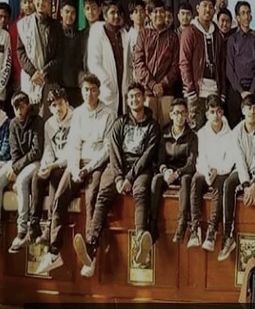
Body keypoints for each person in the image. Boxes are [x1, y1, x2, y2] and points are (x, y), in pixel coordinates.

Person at [73, 82, 160, 277]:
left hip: (140, 169)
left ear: (144, 98)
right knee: (103, 195)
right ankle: (91, 246)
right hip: (118, 167)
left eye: (138, 96)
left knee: (141, 192)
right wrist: (120, 177)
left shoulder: (153, 126)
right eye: (131, 97)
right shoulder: (120, 123)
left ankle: (141, 243)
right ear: (127, 100)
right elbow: (114, 151)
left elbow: (148, 155)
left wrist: (129, 177)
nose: (134, 100)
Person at [34, 73, 116, 274]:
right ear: (82, 91)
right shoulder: (78, 113)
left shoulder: (109, 113)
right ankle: (54, 252)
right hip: (78, 162)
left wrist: (89, 168)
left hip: (97, 164)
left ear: (99, 91)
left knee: (91, 199)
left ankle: (90, 255)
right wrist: (75, 167)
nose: (89, 94)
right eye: (86, 90)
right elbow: (74, 144)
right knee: (60, 197)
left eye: (93, 90)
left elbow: (107, 148)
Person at [220, 94, 255, 261]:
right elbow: (239, 160)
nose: (252, 112)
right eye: (249, 108)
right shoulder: (236, 132)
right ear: (243, 110)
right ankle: (228, 236)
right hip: (242, 170)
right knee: (228, 184)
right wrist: (246, 185)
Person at [191, 94, 236, 251]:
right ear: (207, 114)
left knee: (220, 184)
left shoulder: (231, 134)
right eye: (212, 112)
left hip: (221, 172)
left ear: (222, 112)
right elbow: (200, 158)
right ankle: (195, 228)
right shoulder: (201, 134)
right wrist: (207, 171)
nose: (216, 115)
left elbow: (230, 160)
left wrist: (218, 170)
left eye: (218, 111)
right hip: (206, 171)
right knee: (195, 180)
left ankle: (212, 231)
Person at [150, 98, 198, 244]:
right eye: (177, 113)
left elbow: (192, 163)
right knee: (156, 179)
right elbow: (160, 161)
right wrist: (165, 171)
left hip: (183, 172)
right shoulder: (164, 134)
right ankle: (152, 224)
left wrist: (178, 173)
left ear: (187, 115)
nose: (180, 117)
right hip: (168, 172)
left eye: (183, 113)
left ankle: (182, 224)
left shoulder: (192, 136)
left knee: (186, 179)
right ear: (171, 115)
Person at [0, 92, 43, 253]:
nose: (19, 110)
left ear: (28, 106)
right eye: (16, 107)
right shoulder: (13, 124)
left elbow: (36, 151)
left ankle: (22, 229)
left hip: (35, 162)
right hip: (18, 163)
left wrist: (17, 169)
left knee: (22, 180)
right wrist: (16, 167)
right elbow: (14, 151)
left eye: (22, 106)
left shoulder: (37, 121)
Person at [29, 88, 73, 245]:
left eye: (60, 104)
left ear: (67, 103)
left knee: (55, 177)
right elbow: (48, 149)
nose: (58, 108)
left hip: (69, 163)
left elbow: (73, 151)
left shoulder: (76, 119)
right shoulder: (49, 124)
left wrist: (53, 166)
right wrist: (45, 165)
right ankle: (33, 224)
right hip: (54, 163)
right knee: (37, 176)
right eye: (54, 105)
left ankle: (49, 226)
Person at [179, 0, 227, 131]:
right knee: (196, 131)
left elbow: (222, 65)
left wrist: (222, 92)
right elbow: (184, 63)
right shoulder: (190, 32)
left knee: (215, 131)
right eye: (204, 6)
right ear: (197, 8)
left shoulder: (217, 34)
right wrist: (190, 91)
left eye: (211, 7)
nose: (208, 10)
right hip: (196, 92)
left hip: (214, 90)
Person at [16, 0, 63, 119]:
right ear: (34, 0)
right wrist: (33, 72)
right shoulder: (24, 25)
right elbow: (20, 51)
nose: (41, 3)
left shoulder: (56, 26)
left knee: (47, 121)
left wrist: (43, 72)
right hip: (30, 79)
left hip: (49, 80)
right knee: (29, 119)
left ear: (49, 2)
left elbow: (60, 55)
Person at [134, 0, 180, 126]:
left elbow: (175, 66)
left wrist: (163, 85)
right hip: (147, 91)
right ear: (149, 14)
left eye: (161, 11)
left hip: (167, 91)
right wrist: (153, 84)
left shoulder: (173, 36)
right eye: (155, 12)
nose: (159, 15)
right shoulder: (143, 34)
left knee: (167, 127)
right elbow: (139, 63)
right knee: (147, 127)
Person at [87, 0, 133, 115]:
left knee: (122, 119)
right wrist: (106, 81)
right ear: (105, 16)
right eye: (112, 13)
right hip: (106, 89)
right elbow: (94, 62)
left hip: (123, 88)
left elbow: (130, 62)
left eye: (118, 13)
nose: (116, 16)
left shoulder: (124, 34)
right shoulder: (98, 32)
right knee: (106, 120)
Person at [226, 1, 255, 126]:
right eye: (243, 13)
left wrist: (250, 92)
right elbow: (229, 69)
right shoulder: (232, 40)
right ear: (237, 18)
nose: (246, 16)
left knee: (253, 127)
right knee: (234, 127)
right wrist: (241, 91)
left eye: (248, 13)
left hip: (253, 90)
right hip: (236, 91)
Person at [59, 0, 84, 107]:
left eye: (73, 13)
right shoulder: (54, 32)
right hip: (58, 86)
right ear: (61, 12)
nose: (70, 15)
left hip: (76, 86)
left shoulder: (80, 35)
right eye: (67, 12)